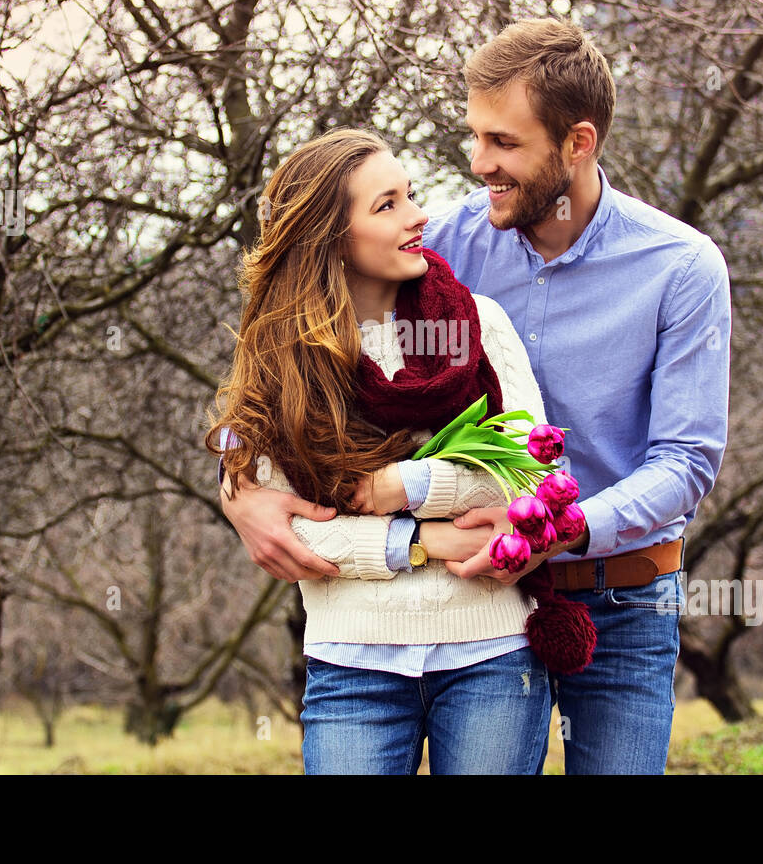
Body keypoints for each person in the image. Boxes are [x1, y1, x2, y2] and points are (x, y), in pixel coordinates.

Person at [219, 18, 732, 775]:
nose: (478, 163)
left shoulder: (681, 267)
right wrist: (238, 488)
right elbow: (286, 366)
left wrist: (557, 528)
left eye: (504, 143)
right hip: (466, 602)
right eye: (475, 136)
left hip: (617, 593)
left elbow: (686, 461)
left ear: (578, 144)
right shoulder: (441, 243)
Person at [205, 128, 577, 774]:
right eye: (387, 206)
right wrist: (421, 543)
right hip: (353, 663)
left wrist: (405, 487)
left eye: (410, 195)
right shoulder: (285, 367)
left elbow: (531, 478)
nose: (417, 217)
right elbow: (292, 535)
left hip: (490, 651)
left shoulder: (477, 324)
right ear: (330, 239)